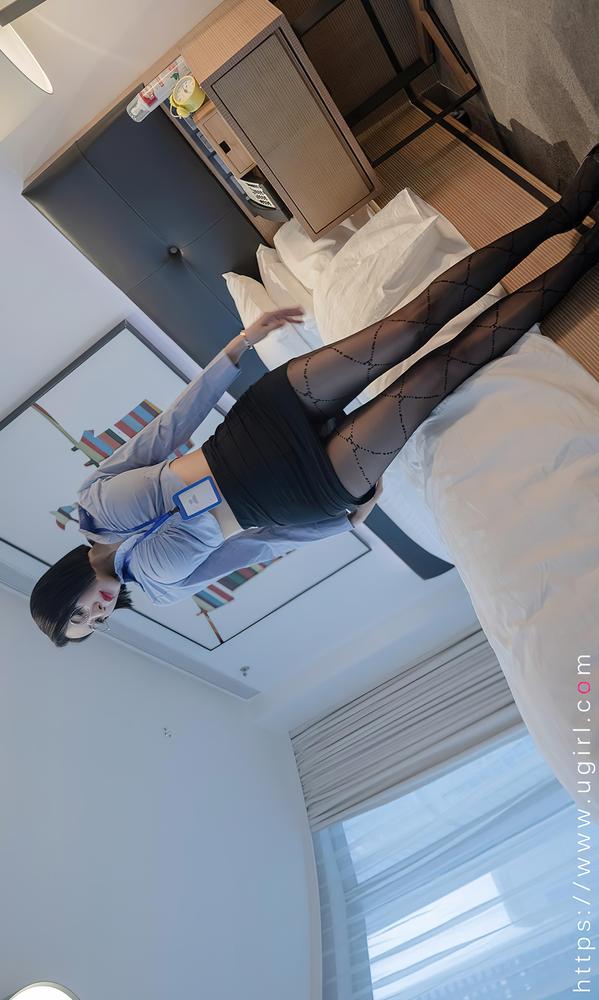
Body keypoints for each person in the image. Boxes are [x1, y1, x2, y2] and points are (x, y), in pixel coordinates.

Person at [30, 144, 599, 646]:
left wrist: (238, 347)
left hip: (255, 427)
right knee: (437, 377)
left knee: (407, 328)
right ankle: (585, 255)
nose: (98, 615)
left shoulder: (93, 501)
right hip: (301, 489)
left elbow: (170, 427)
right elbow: (262, 545)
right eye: (95, 627)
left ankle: (562, 213)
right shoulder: (163, 590)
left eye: (79, 614)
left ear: (61, 590)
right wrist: (346, 521)